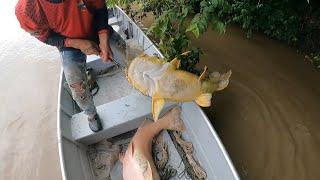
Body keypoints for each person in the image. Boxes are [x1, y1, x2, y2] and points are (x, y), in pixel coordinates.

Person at [15, 0, 114, 132]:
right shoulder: (27, 9)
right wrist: (78, 44)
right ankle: (91, 115)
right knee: (78, 88)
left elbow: (100, 9)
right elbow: (46, 37)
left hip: (95, 27)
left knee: (127, 54)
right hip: (68, 44)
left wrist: (103, 37)